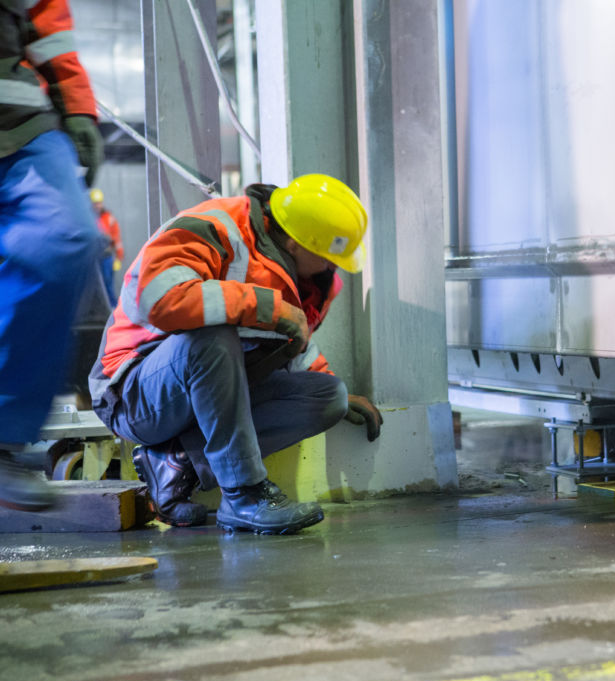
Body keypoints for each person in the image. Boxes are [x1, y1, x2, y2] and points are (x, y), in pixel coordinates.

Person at [89, 174, 384, 535]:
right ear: (294, 244)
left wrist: (328, 381)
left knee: (328, 396)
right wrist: (265, 305)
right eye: (327, 257)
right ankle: (244, 495)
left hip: (198, 386)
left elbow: (288, 346)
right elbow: (160, 300)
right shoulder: (213, 227)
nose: (331, 267)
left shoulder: (301, 274)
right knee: (213, 336)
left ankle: (178, 461)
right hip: (130, 393)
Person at [0, 0, 106, 510]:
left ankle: (3, 436)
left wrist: (78, 108)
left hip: (20, 116)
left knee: (64, 236)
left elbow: (47, 21)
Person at [90, 187, 123, 307]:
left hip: (106, 257)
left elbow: (116, 239)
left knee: (108, 284)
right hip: (94, 258)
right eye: (95, 203)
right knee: (95, 287)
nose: (97, 206)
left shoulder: (108, 217)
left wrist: (118, 258)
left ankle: (113, 308)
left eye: (99, 203)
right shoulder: (89, 218)